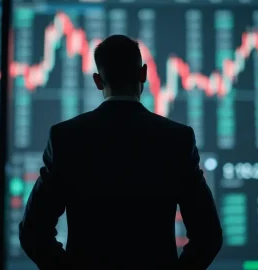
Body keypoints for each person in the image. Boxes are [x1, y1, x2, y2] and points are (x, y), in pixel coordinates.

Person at [19, 35, 223, 270]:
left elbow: (33, 233)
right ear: (143, 74)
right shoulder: (176, 139)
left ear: (97, 80)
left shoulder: (66, 137)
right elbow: (208, 236)